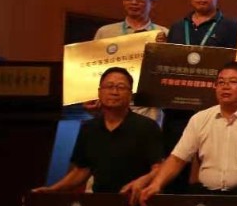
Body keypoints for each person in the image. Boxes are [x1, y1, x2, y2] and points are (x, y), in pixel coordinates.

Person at [129, 62, 237, 206]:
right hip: (206, 194)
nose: (225, 87)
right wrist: (156, 184)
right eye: (221, 82)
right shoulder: (199, 119)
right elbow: (178, 158)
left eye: (233, 82)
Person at [160, 0, 237, 192]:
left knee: (213, 170)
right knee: (175, 168)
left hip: (213, 109)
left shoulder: (231, 27)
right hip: (177, 110)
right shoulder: (177, 27)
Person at [34, 67, 165, 195]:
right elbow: (81, 170)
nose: (114, 92)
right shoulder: (89, 128)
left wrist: (143, 181)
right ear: (99, 92)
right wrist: (53, 189)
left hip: (135, 199)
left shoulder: (147, 126)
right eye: (109, 86)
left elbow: (159, 168)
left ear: (130, 95)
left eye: (121, 87)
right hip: (99, 201)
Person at [94, 0, 166, 121]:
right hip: (111, 105)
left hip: (148, 107)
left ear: (153, 3)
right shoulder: (105, 32)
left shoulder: (163, 33)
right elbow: (93, 68)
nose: (134, 2)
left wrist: (164, 50)